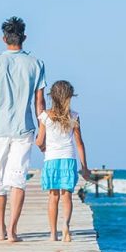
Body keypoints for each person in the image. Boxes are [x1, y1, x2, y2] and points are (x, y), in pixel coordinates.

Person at [0, 16, 46, 242]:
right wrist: (42, 131)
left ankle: (0, 229)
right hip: (24, 129)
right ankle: (13, 231)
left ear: (3, 38)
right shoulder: (36, 64)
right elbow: (40, 103)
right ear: (24, 37)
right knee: (17, 180)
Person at [35, 80, 90, 242]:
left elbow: (39, 141)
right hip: (68, 159)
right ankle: (66, 224)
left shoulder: (45, 116)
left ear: (52, 96)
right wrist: (84, 167)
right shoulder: (74, 116)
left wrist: (42, 147)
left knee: (53, 197)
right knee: (67, 196)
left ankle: (53, 234)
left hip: (51, 160)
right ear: (69, 97)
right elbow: (79, 143)